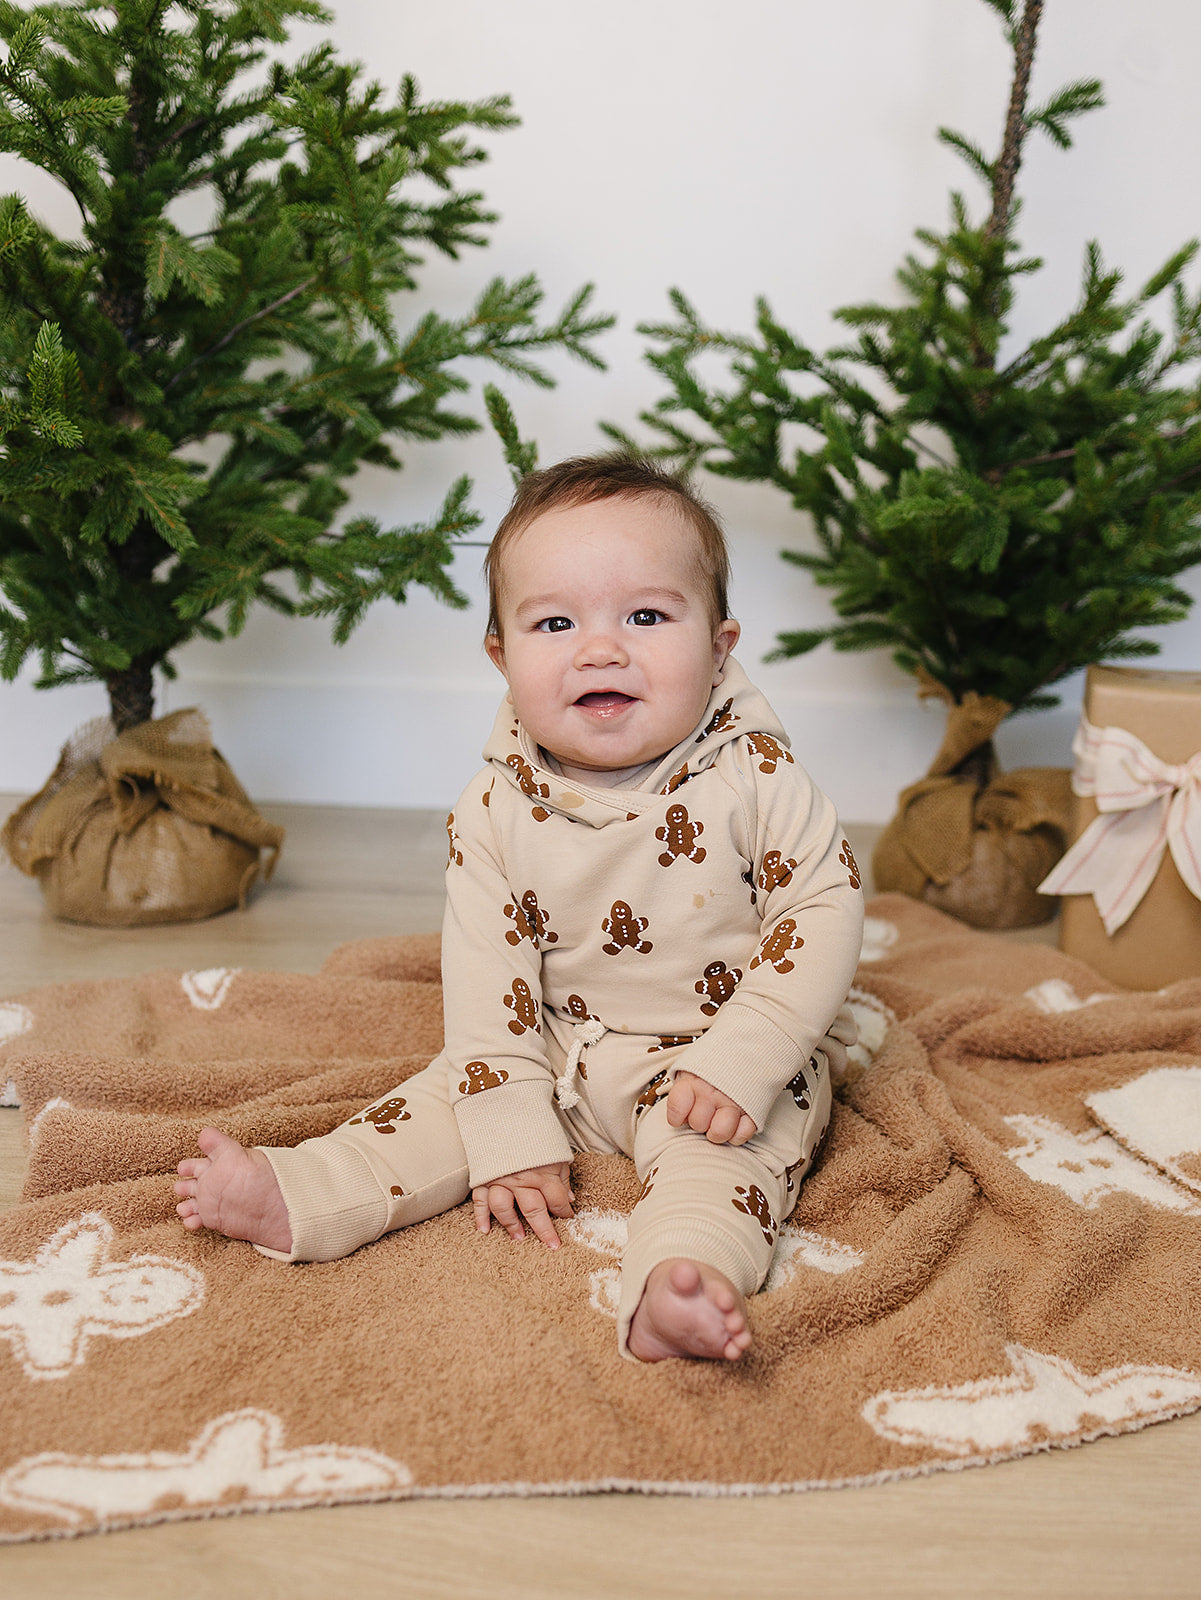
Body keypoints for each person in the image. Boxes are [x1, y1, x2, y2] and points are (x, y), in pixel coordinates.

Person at [175, 455, 864, 1363]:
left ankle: (681, 1282)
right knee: (435, 1107)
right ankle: (303, 1192)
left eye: (646, 617)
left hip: (714, 1062)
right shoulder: (493, 807)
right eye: (555, 623)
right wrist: (508, 1124)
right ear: (501, 656)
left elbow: (820, 908)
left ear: (718, 645)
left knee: (729, 1168)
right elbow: (486, 978)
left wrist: (749, 1056)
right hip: (552, 1044)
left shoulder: (757, 777)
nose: (600, 649)